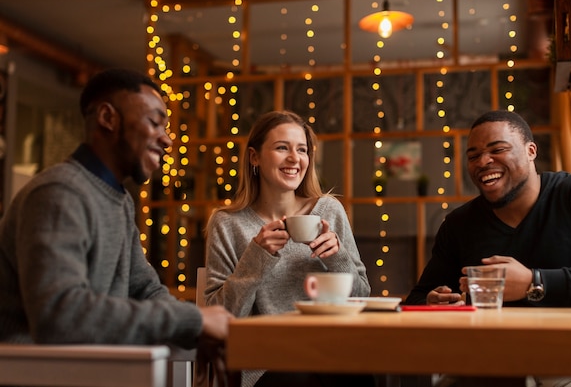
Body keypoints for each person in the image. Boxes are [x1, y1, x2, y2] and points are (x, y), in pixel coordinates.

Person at [0, 68, 232, 355]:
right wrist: (194, 320)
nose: (168, 140)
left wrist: (199, 334)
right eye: (154, 123)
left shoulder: (119, 200)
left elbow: (146, 290)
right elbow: (60, 317)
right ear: (108, 118)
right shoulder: (60, 192)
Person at [405, 110, 571, 387]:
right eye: (473, 156)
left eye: (497, 149)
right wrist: (431, 303)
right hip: (492, 365)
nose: (483, 162)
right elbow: (415, 300)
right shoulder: (459, 224)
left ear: (531, 150)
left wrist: (535, 283)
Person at [203, 110, 372, 387]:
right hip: (264, 368)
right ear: (254, 157)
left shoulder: (329, 210)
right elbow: (218, 317)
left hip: (329, 354)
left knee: (359, 374)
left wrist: (338, 257)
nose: (295, 158)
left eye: (302, 150)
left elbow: (362, 296)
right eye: (282, 148)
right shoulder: (228, 223)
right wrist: (255, 257)